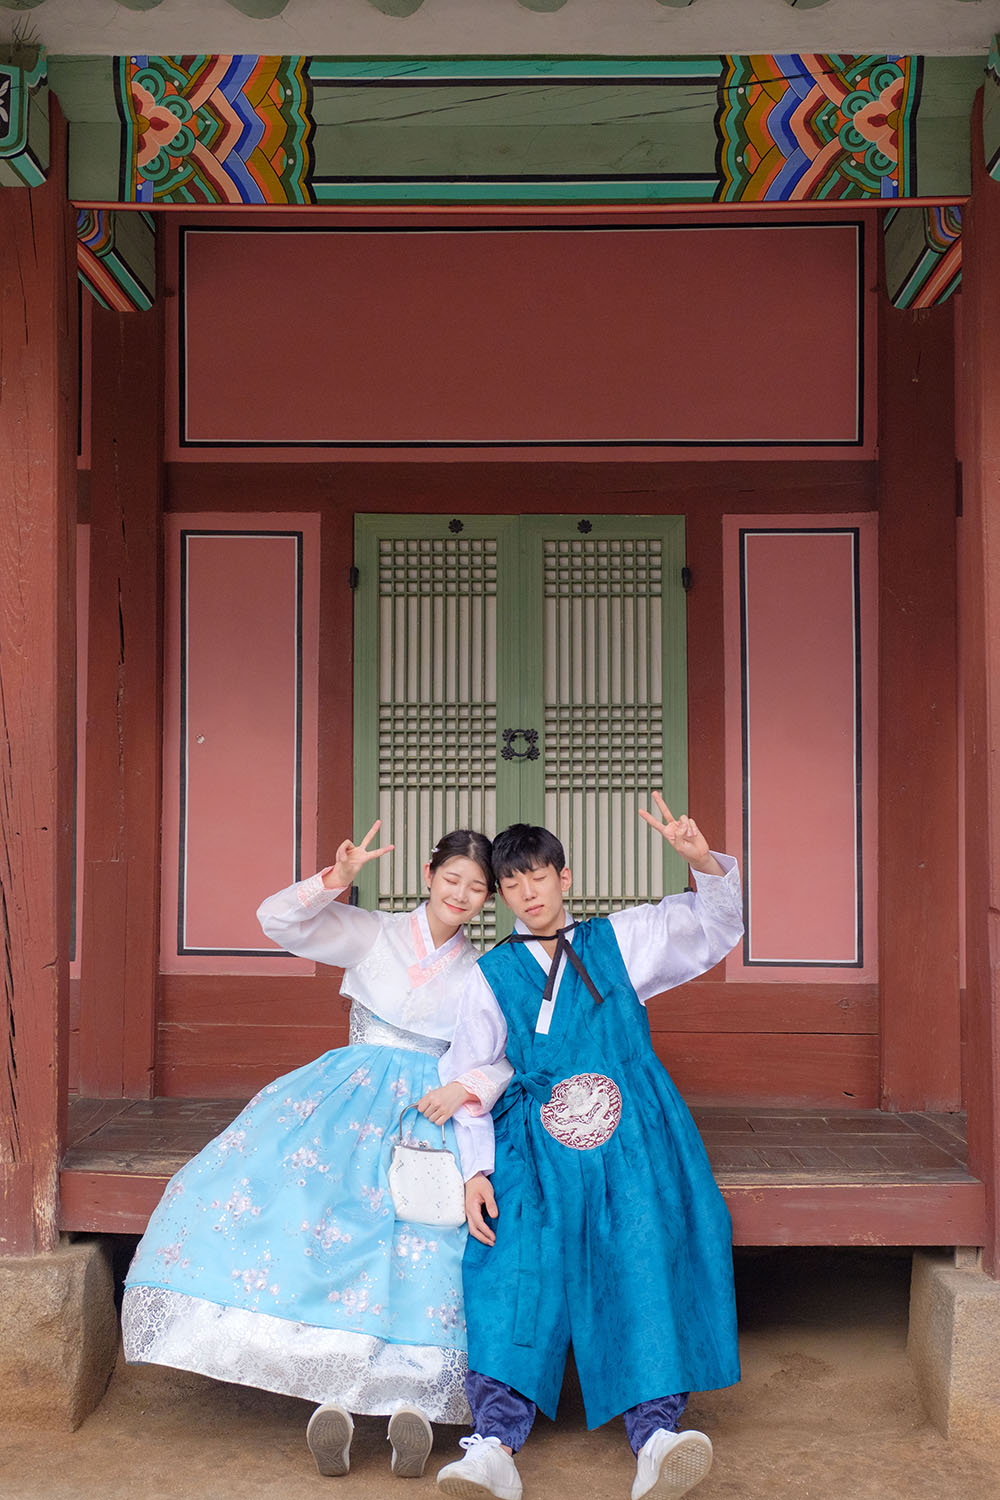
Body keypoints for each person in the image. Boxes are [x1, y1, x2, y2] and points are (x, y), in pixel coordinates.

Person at [122, 823, 511, 1481]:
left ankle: (413, 1401)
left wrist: (465, 1087)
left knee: (423, 1246)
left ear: (488, 899)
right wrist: (335, 880)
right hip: (345, 1102)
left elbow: (499, 1057)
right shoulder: (373, 933)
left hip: (429, 1114)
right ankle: (333, 1391)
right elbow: (278, 921)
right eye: (452, 879)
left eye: (476, 888)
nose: (461, 895)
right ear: (428, 875)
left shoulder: (482, 973)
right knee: (322, 1225)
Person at [434, 795, 744, 1500]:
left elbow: (716, 925)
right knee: (513, 1265)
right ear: (501, 895)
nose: (528, 892)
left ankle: (656, 1438)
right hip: (536, 1146)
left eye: (538, 876)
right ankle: (493, 1446)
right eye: (512, 883)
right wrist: (476, 1170)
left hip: (631, 1136)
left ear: (564, 877)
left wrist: (700, 860)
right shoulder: (491, 974)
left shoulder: (622, 938)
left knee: (641, 1256)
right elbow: (472, 1070)